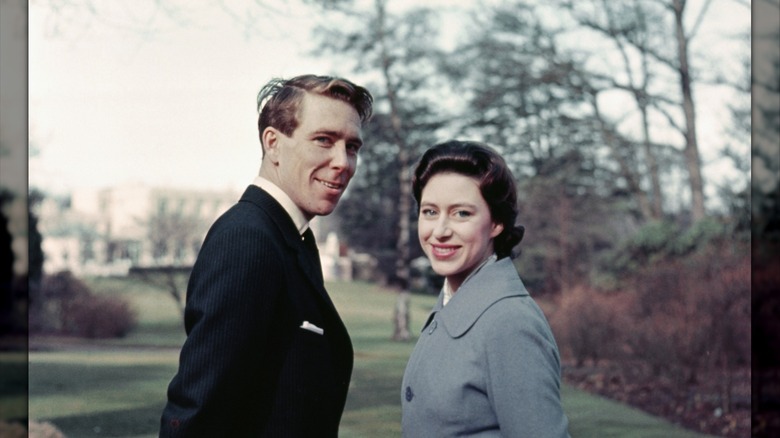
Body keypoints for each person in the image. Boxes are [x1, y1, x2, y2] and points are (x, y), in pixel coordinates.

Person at [160, 74, 373, 437]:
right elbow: (198, 409)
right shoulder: (248, 240)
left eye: (352, 147)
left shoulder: (288, 237)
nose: (343, 163)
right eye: (324, 140)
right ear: (273, 143)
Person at [401, 140, 570, 437]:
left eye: (461, 214)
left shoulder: (510, 323)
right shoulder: (452, 302)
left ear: (496, 223)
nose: (439, 231)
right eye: (429, 212)